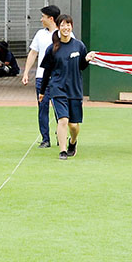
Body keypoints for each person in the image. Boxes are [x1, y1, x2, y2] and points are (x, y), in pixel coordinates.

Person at [38, 14, 95, 161]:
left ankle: (73, 142)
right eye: (62, 25)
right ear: (58, 27)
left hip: (75, 90)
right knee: (62, 120)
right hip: (57, 89)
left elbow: (81, 66)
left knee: (74, 125)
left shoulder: (79, 46)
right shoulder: (52, 49)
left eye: (68, 24)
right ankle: (63, 151)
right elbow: (47, 72)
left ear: (72, 27)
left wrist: (87, 59)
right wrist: (42, 91)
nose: (66, 28)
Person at [22, 5, 61, 148]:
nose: (41, 19)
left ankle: (61, 135)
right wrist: (26, 73)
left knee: (60, 109)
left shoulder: (64, 33)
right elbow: (33, 53)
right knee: (42, 108)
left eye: (43, 17)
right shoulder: (40, 34)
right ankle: (45, 139)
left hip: (58, 78)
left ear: (50, 18)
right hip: (41, 78)